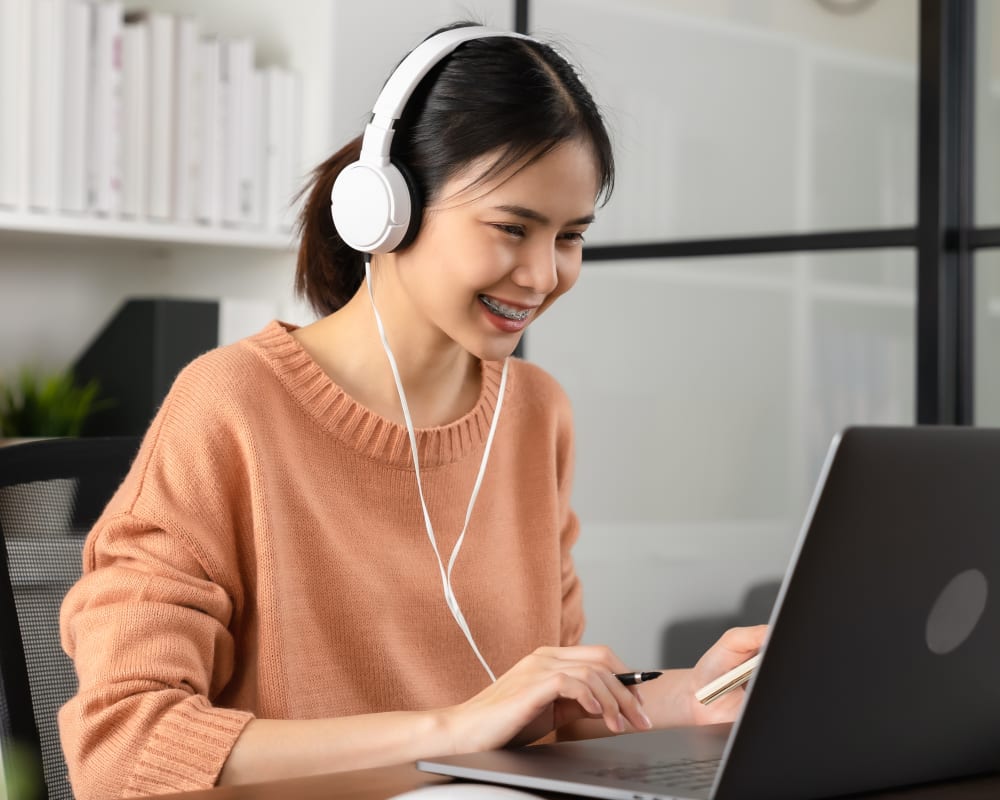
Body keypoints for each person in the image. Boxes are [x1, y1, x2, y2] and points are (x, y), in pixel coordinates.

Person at [58, 21, 766, 799]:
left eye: (570, 236)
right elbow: (124, 751)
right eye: (511, 227)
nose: (541, 274)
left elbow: (539, 716)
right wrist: (454, 728)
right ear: (386, 208)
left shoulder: (535, 413)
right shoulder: (231, 405)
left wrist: (690, 695)